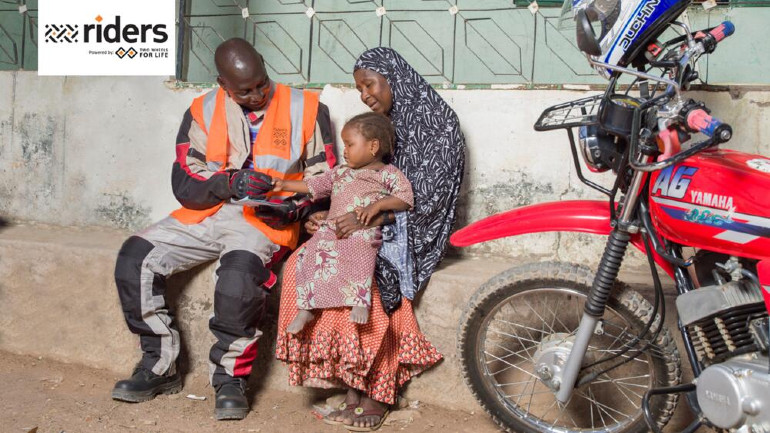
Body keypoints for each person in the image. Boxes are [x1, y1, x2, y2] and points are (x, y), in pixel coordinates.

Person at [111, 37, 335, 421]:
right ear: (223, 84)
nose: (257, 95)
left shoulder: (309, 108)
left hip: (266, 219)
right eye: (244, 91)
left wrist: (296, 211)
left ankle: (231, 379)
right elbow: (185, 182)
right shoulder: (202, 110)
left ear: (263, 64)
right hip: (210, 211)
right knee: (134, 258)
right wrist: (228, 183)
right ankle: (159, 365)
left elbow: (327, 180)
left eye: (261, 84)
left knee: (237, 279)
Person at [275, 47, 465, 431]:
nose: (365, 95)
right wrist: (326, 217)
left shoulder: (438, 124)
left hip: (413, 233)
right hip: (365, 225)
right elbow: (349, 184)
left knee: (370, 278)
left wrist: (368, 219)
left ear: (395, 78)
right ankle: (350, 382)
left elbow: (427, 203)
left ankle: (376, 392)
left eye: (370, 85)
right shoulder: (380, 127)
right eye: (359, 88)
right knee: (301, 262)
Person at [274, 112, 413, 334]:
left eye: (350, 144)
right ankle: (306, 307)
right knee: (310, 252)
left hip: (363, 228)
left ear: (373, 146)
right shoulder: (340, 172)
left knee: (363, 249)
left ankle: (360, 299)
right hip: (332, 227)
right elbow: (313, 185)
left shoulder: (386, 173)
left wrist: (378, 205)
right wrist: (284, 185)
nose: (345, 151)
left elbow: (405, 199)